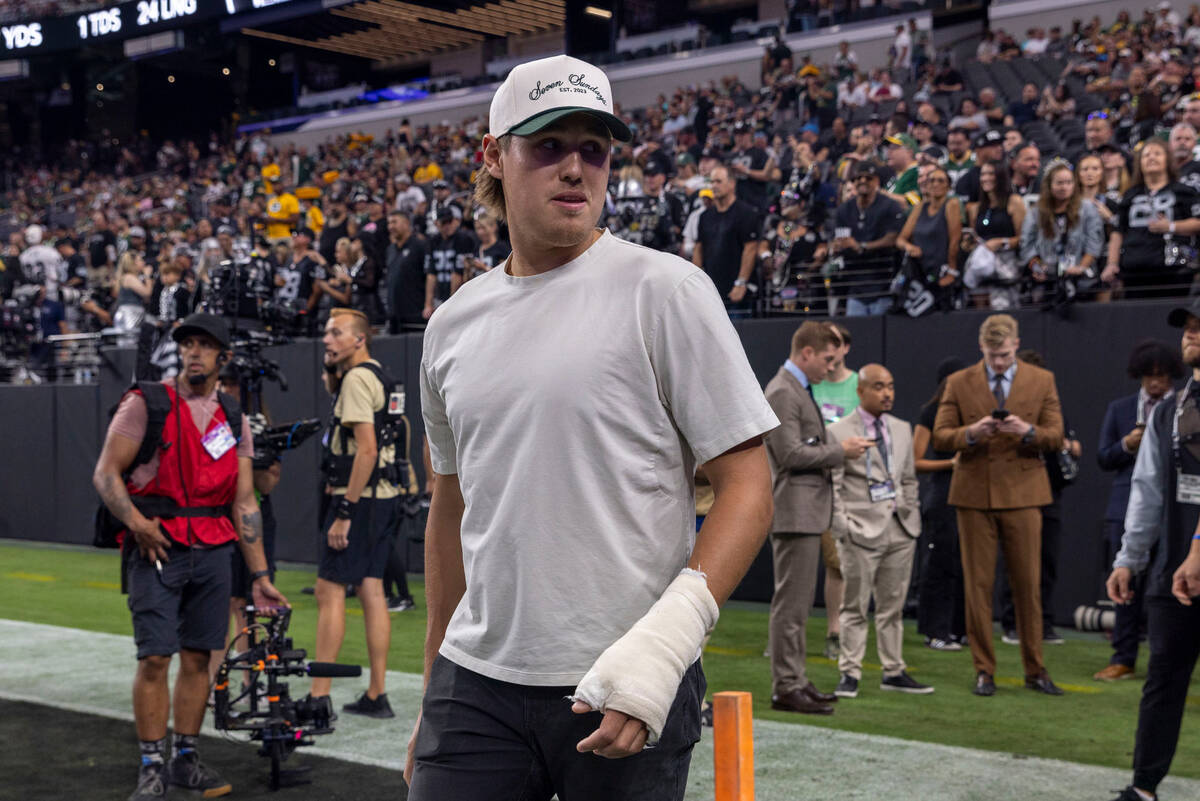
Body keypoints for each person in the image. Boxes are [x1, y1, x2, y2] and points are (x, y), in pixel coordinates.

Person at [407, 54, 779, 800]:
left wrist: (665, 646)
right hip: (474, 684)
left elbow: (748, 482)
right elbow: (451, 509)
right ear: (494, 156)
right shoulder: (451, 324)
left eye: (594, 149)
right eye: (548, 145)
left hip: (624, 675)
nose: (575, 168)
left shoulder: (665, 289)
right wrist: (431, 691)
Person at [91, 312, 288, 801]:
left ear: (223, 357)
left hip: (215, 549)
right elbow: (105, 474)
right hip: (156, 547)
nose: (193, 352)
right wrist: (137, 524)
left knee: (200, 658)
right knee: (155, 656)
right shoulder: (146, 402)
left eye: (204, 345)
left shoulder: (233, 416)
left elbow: (245, 501)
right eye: (188, 344)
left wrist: (259, 574)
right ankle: (152, 764)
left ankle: (184, 758)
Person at [932, 314, 1065, 697]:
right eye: (994, 356)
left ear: (1016, 344)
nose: (1000, 363)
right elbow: (941, 437)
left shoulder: (1043, 381)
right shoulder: (959, 382)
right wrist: (972, 434)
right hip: (974, 495)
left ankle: (1035, 669)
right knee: (977, 587)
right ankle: (984, 671)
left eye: (1005, 355)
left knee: (1028, 585)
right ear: (982, 348)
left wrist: (1030, 432)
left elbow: (1056, 435)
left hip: (1025, 494)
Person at [1105, 298, 1200, 801]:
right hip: (1174, 572)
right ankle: (1143, 787)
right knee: (1162, 678)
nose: (1192, 333)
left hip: (1193, 561)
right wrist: (1129, 558)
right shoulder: (1169, 409)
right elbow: (1147, 491)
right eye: (1188, 326)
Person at [766, 322, 874, 716]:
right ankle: (785, 686)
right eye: (827, 359)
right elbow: (790, 454)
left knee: (797, 608)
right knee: (790, 608)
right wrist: (839, 451)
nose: (831, 368)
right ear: (806, 352)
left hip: (806, 511)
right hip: (794, 511)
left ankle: (794, 680)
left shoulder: (795, 389)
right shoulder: (782, 390)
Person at [311, 308, 403, 719]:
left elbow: (366, 450)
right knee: (371, 589)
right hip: (384, 497)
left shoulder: (357, 379)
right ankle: (376, 693)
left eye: (336, 333)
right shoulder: (380, 375)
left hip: (358, 499)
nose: (327, 339)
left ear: (359, 339)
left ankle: (318, 697)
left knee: (329, 590)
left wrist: (345, 511)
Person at [829, 364, 929, 698]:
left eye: (890, 386)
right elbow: (833, 486)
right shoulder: (840, 431)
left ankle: (893, 670)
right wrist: (842, 526)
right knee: (855, 607)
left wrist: (910, 513)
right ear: (861, 391)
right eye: (878, 386)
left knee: (892, 607)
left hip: (901, 528)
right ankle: (850, 673)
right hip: (860, 529)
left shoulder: (902, 428)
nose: (887, 393)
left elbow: (909, 477)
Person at [1094, 340, 1182, 681]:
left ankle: (1169, 659)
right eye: (1150, 376)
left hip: (1175, 511)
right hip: (1124, 506)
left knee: (1172, 586)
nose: (1156, 383)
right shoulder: (1120, 409)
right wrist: (1126, 445)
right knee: (1125, 586)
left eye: (1162, 376)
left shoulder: (1184, 407)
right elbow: (1102, 457)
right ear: (1139, 376)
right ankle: (1124, 657)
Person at [1103, 139, 1200, 299]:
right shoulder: (1130, 195)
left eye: (1157, 153)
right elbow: (1117, 232)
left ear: (1168, 160)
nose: (1151, 158)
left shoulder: (1184, 191)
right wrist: (1112, 264)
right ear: (1139, 163)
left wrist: (1172, 226)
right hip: (1134, 272)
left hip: (1174, 272)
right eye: (1146, 155)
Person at [915, 357, 967, 651]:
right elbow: (915, 460)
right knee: (939, 565)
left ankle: (959, 629)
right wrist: (951, 463)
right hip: (941, 498)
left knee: (965, 567)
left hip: (968, 498)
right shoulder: (931, 412)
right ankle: (935, 630)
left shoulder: (972, 413)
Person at [1019, 159, 1104, 308]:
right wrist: (1037, 267)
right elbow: (1026, 243)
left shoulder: (1087, 208)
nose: (1064, 187)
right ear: (1049, 185)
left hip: (1081, 277)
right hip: (1047, 277)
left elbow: (1094, 242)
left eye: (1068, 182)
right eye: (1059, 183)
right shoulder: (1036, 211)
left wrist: (1081, 267)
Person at [831, 160, 905, 317]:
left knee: (884, 336)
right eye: (858, 178)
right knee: (859, 337)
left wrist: (861, 246)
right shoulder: (845, 209)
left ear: (877, 181)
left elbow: (892, 239)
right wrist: (836, 246)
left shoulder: (890, 206)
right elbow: (841, 240)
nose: (863, 181)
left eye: (868, 178)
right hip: (855, 286)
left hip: (884, 284)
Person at [693, 165, 761, 317]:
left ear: (732, 184)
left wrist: (741, 283)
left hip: (735, 292)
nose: (714, 186)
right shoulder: (705, 216)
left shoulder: (746, 213)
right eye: (712, 182)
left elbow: (750, 248)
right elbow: (699, 248)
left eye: (718, 181)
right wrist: (696, 281)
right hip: (711, 292)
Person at [896, 164, 962, 308]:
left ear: (948, 186)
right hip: (920, 272)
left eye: (940, 181)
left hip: (942, 271)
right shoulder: (920, 207)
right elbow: (900, 240)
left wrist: (951, 272)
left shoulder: (952, 204)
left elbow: (955, 240)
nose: (935, 184)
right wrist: (910, 247)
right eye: (932, 181)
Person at [964, 161, 1025, 310]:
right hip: (981, 269)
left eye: (991, 174)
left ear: (1001, 177)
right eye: (983, 174)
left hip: (1006, 269)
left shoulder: (1014, 202)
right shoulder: (976, 208)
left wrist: (1001, 242)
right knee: (979, 314)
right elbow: (976, 236)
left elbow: (1023, 238)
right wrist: (968, 243)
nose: (986, 178)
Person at [385, 210, 428, 333]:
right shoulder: (390, 249)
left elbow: (429, 277)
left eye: (394, 222)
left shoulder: (420, 246)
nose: (391, 226)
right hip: (394, 315)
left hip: (415, 314)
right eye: (389, 223)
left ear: (406, 223)